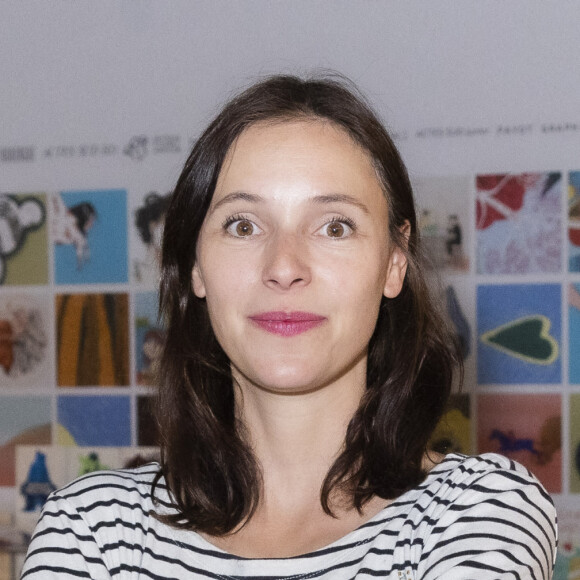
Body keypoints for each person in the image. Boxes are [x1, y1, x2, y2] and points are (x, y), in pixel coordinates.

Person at [22, 74, 556, 579]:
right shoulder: (93, 531)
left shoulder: (476, 513)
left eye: (334, 226)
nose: (283, 265)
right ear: (195, 266)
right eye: (244, 225)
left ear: (394, 262)